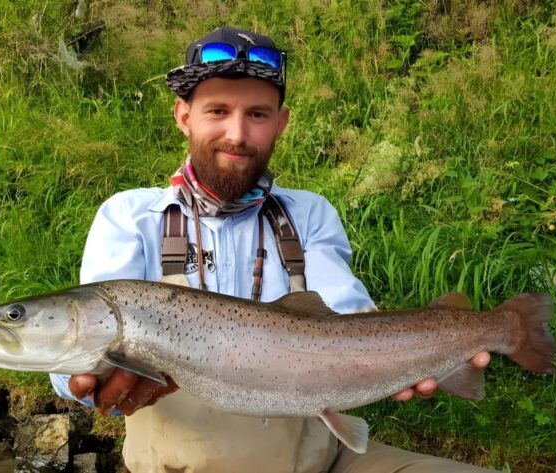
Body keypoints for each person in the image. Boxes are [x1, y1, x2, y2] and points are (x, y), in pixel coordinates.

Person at [51, 26, 494, 473]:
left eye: (257, 114)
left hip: (320, 461)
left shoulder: (310, 213)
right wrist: (79, 381)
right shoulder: (129, 217)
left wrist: (411, 353)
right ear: (184, 116)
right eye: (218, 111)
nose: (237, 134)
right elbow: (80, 359)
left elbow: (349, 318)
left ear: (280, 123)